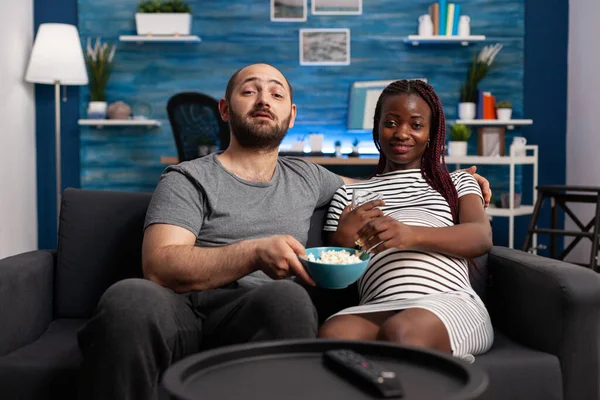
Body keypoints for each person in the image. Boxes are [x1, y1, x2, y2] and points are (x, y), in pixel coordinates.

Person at [77, 64, 492, 399]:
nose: (263, 100)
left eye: (276, 93)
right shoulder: (187, 177)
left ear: (291, 115)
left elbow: (384, 191)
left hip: (256, 311)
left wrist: (463, 183)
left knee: (289, 298)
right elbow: (160, 265)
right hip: (180, 307)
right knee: (129, 296)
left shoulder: (310, 177)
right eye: (249, 91)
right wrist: (254, 252)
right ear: (225, 109)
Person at [318, 79, 494, 362]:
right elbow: (333, 282)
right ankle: (441, 366)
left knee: (402, 332)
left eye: (415, 124)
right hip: (376, 306)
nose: (402, 133)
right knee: (333, 334)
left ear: (430, 133)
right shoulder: (349, 194)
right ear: (376, 127)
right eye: (391, 122)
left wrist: (409, 234)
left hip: (447, 303)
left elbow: (480, 237)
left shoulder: (457, 182)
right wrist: (341, 241)